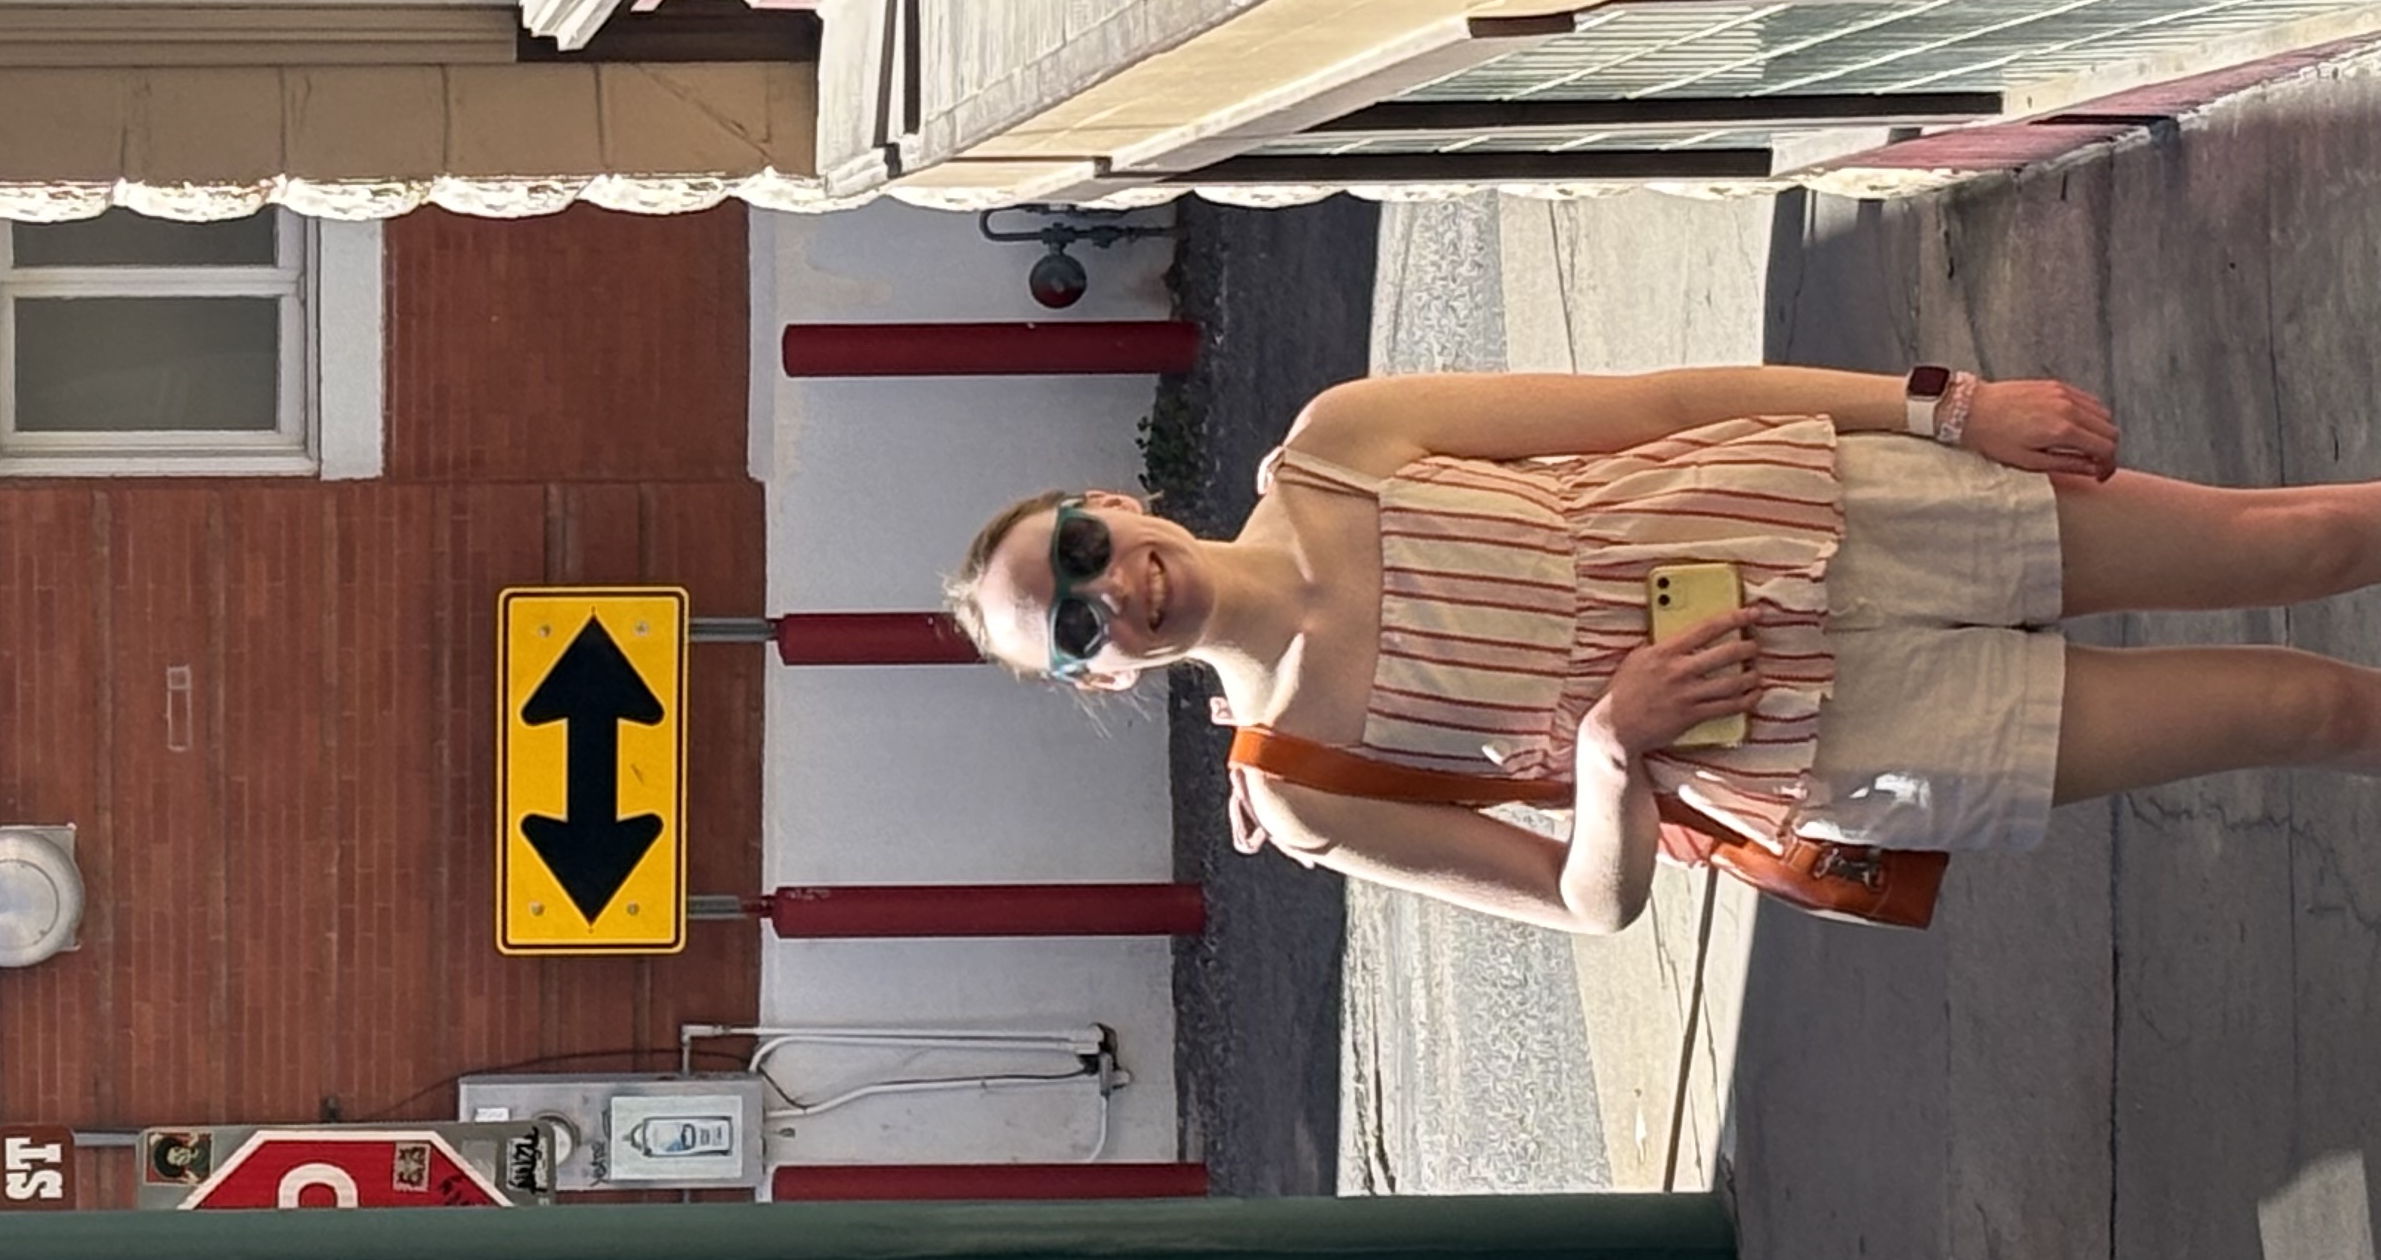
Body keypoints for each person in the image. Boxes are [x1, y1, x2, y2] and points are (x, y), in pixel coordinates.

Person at [946, 363, 2381, 935]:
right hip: (1853, 743)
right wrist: (1611, 753)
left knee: (2301, 543)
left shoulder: (1342, 443)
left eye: (1077, 548)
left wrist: (1944, 411)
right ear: (1102, 677)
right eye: (1072, 628)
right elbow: (1590, 906)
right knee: (2296, 708)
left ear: (1108, 500)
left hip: (1848, 517)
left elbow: (1650, 402)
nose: (1106, 591)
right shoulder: (1310, 789)